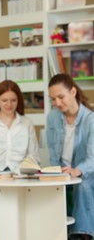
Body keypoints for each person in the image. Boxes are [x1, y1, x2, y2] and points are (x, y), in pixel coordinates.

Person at [47, 73, 94, 240]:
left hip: (84, 173)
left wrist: (76, 171)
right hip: (62, 172)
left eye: (61, 97)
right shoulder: (52, 117)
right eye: (53, 99)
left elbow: (92, 159)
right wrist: (54, 173)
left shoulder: (90, 120)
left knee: (83, 185)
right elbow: (53, 152)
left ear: (73, 92)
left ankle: (82, 235)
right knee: (47, 189)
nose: (57, 103)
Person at [0, 80, 40, 174]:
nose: (9, 104)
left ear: (18, 100)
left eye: (13, 100)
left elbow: (34, 156)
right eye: (4, 100)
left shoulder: (27, 124)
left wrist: (18, 171)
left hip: (22, 176)